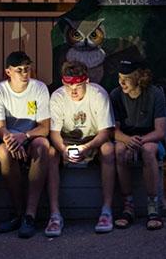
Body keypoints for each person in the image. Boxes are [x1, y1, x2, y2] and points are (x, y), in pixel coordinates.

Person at [46, 59, 116, 236]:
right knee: (50, 153)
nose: (73, 90)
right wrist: (63, 150)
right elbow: (54, 133)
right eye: (69, 86)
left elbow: (105, 132)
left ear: (86, 81)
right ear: (63, 82)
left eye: (78, 85)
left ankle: (107, 210)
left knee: (108, 149)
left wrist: (86, 147)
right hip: (68, 139)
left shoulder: (99, 95)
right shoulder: (57, 96)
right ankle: (55, 215)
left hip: (94, 139)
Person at [0, 51, 51, 239]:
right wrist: (13, 140)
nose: (24, 73)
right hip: (11, 139)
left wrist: (25, 136)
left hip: (31, 136)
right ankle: (18, 211)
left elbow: (45, 127)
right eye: (19, 70)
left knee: (42, 145)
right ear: (8, 72)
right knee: (3, 151)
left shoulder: (39, 88)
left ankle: (30, 214)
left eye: (27, 69)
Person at [110, 59, 166, 230]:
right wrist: (127, 141)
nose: (121, 82)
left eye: (126, 78)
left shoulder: (154, 94)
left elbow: (160, 131)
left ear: (137, 78)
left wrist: (137, 142)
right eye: (120, 77)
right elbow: (114, 130)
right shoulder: (116, 95)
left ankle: (153, 206)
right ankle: (128, 206)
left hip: (149, 137)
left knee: (148, 151)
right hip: (126, 136)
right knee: (118, 150)